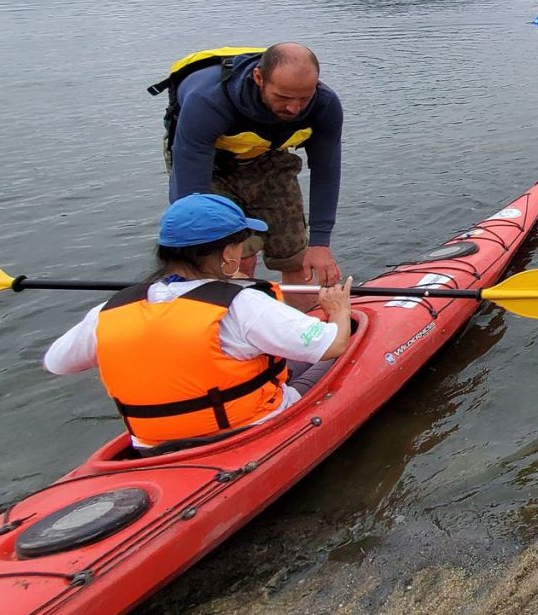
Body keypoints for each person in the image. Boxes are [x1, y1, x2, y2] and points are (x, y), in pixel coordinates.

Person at [43, 193, 353, 452]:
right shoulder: (243, 304)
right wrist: (338, 309)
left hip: (150, 444)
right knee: (349, 343)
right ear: (226, 255)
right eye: (242, 245)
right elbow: (333, 343)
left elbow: (56, 362)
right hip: (244, 431)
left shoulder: (108, 311)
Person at [163, 42, 344, 291]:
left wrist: (321, 243)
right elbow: (190, 198)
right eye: (283, 97)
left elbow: (327, 171)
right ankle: (228, 318)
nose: (294, 108)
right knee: (235, 259)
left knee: (297, 259)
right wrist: (200, 251)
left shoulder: (325, 105)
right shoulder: (208, 102)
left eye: (304, 97)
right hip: (209, 164)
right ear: (258, 77)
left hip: (266, 155)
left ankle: (299, 324)